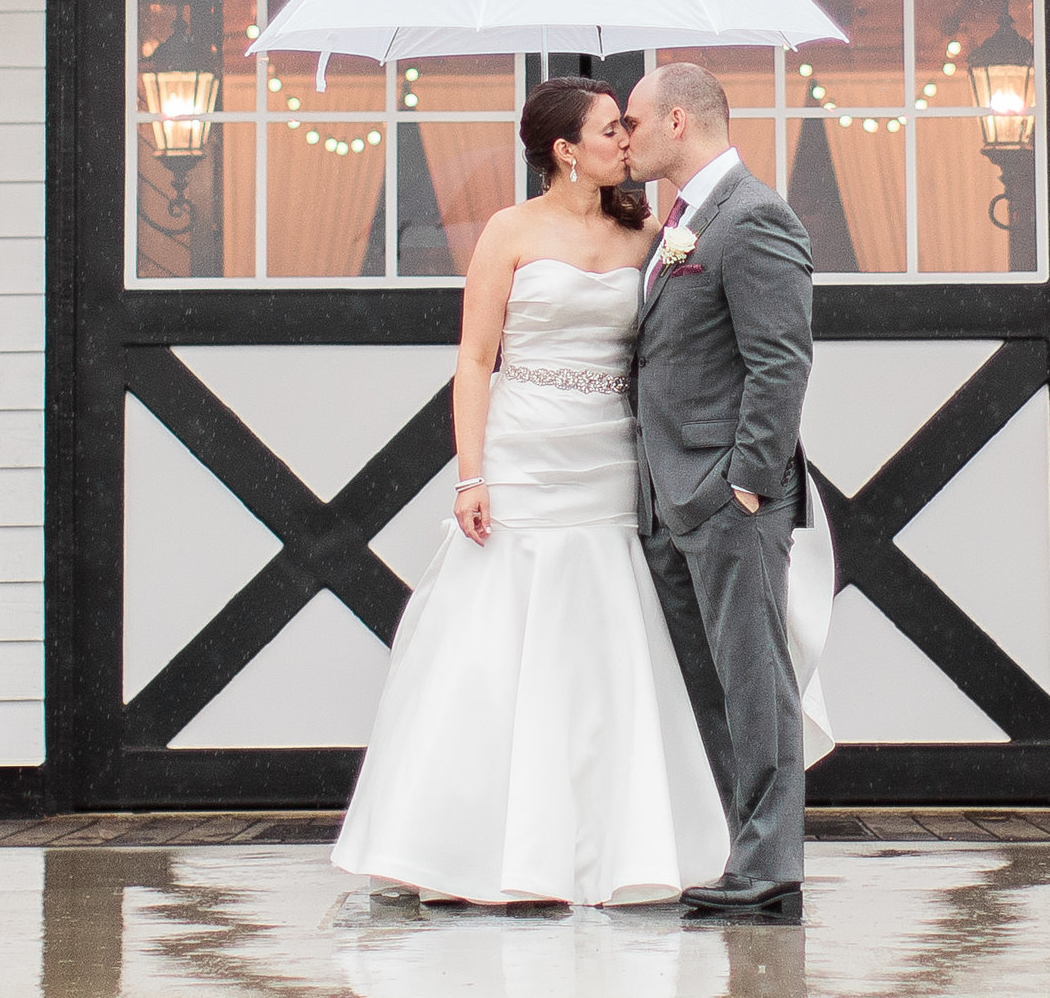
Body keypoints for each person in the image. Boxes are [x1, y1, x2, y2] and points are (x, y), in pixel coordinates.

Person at [331, 77, 730, 907]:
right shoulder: (509, 233)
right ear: (565, 149)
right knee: (493, 640)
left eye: (627, 126)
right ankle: (463, 842)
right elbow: (475, 359)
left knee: (604, 635)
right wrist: (471, 474)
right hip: (521, 454)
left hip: (607, 455)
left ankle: (618, 842)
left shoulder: (650, 234)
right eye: (611, 129)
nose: (628, 139)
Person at [622, 60, 818, 923]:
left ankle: (771, 865)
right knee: (710, 683)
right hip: (669, 500)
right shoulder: (682, 222)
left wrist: (744, 484)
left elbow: (781, 363)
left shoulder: (754, 216)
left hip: (726, 499)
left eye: (631, 122)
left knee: (754, 679)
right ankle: (746, 852)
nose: (623, 138)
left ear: (676, 121)